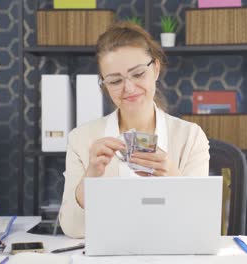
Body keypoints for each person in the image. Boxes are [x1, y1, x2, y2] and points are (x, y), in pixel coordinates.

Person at [59, 21, 210, 238]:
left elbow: (202, 226)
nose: (128, 88)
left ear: (155, 68)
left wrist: (174, 177)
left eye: (138, 74)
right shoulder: (81, 139)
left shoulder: (190, 137)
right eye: (115, 81)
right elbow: (72, 229)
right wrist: (91, 176)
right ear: (104, 84)